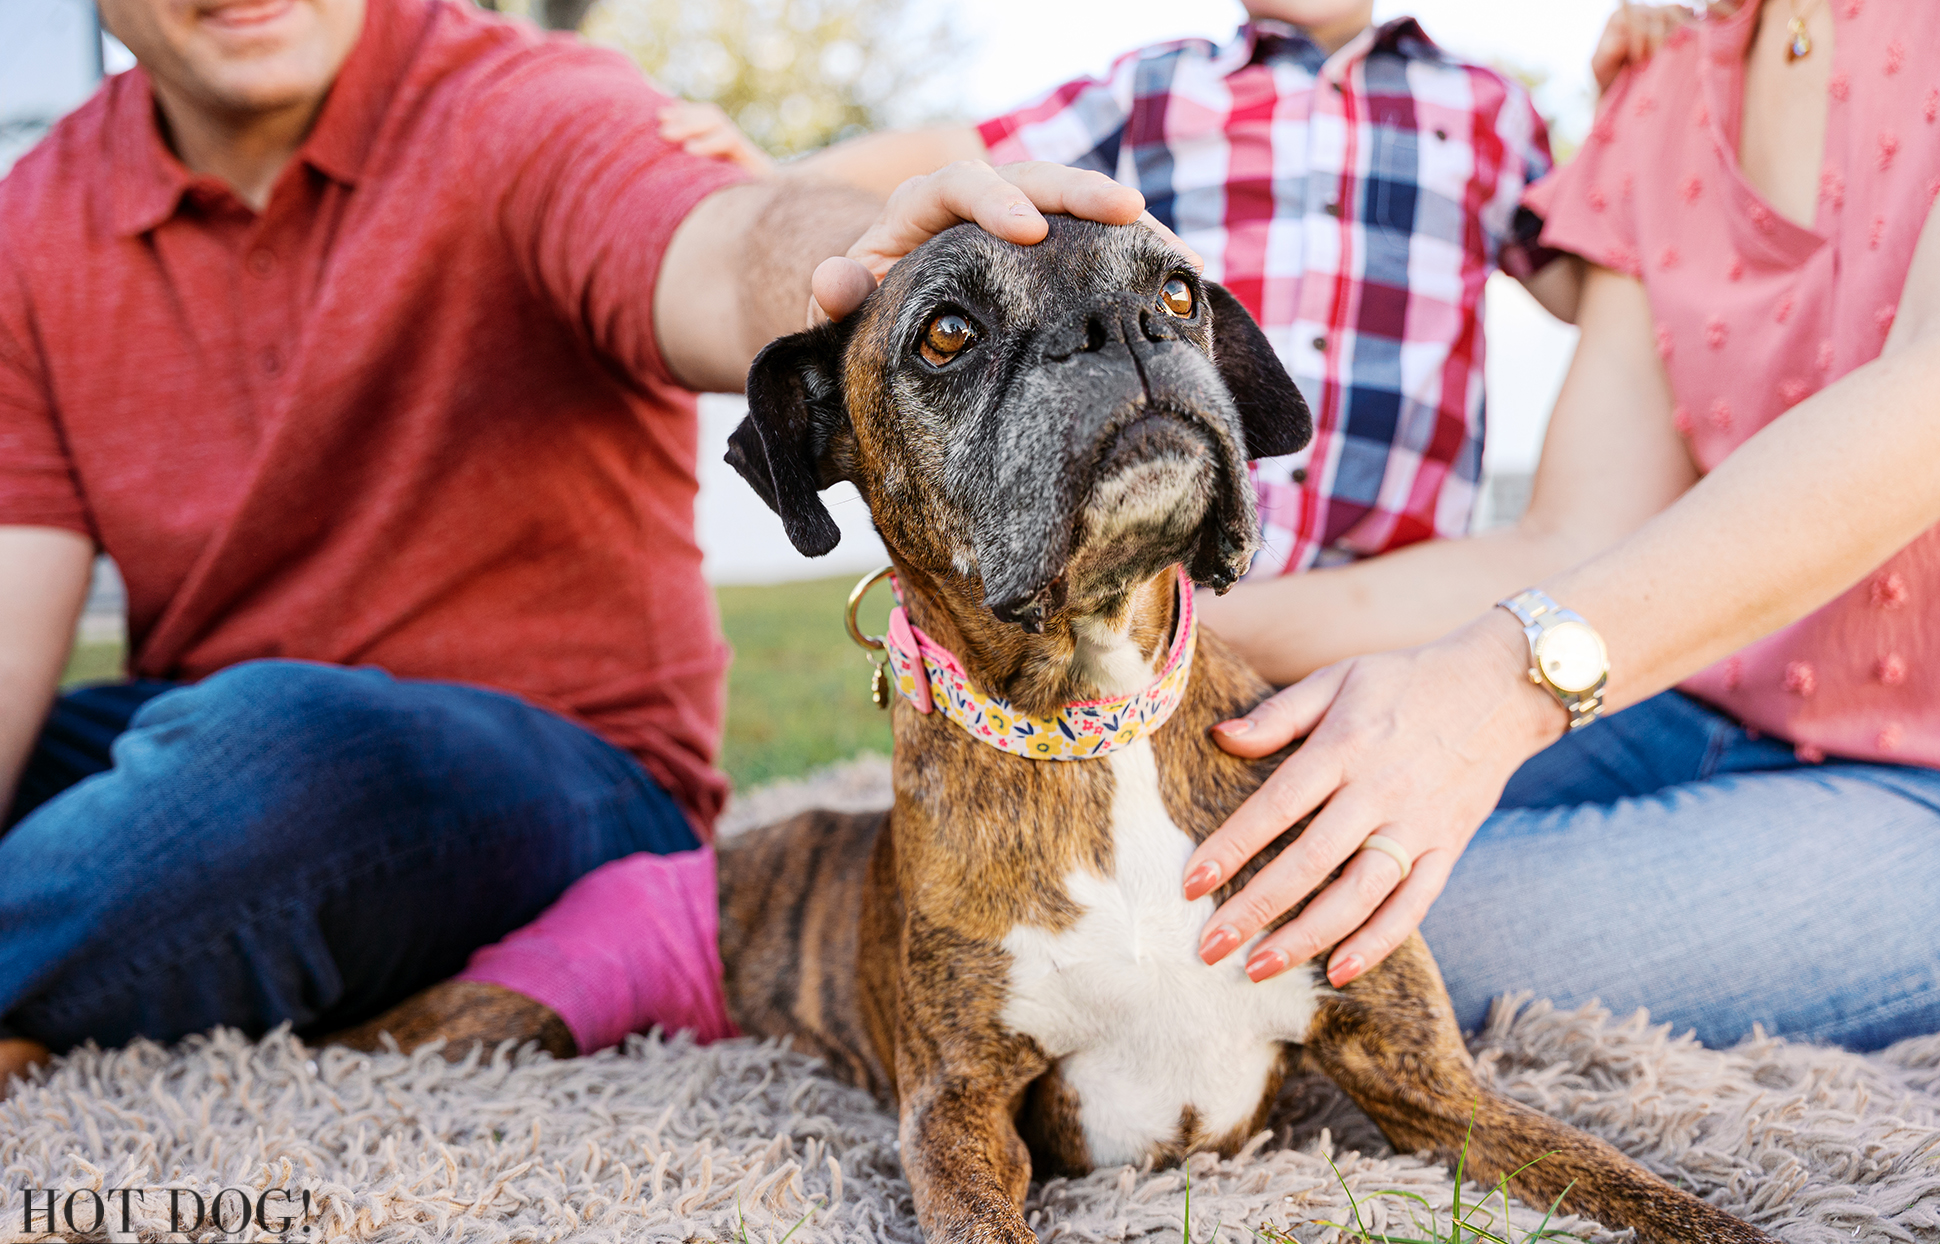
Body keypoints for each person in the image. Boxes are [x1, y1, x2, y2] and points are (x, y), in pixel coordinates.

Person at [0, 0, 1156, 1084]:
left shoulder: (521, 103)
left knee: (274, 756)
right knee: (225, 750)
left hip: (562, 779)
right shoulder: (38, 216)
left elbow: (724, 245)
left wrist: (889, 269)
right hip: (189, 733)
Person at [1178, 0, 1940, 1053]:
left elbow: (1924, 409)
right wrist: (1173, 631)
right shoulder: (1666, 80)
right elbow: (1569, 542)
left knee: (1334, 934)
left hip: (1918, 777)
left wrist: (1496, 685)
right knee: (1203, 848)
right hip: (1684, 698)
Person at [667, 0, 1577, 582]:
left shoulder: (1492, 107)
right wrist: (781, 175)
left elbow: (1587, 281)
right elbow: (962, 148)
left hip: (1400, 593)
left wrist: (1642, 89)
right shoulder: (1152, 87)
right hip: (1169, 570)